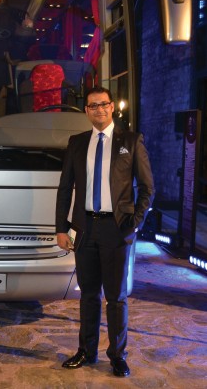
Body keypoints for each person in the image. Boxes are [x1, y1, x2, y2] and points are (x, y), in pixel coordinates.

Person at [55, 86, 154, 378]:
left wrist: (134, 223)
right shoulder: (77, 143)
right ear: (86, 111)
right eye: (92, 106)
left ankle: (118, 356)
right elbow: (65, 188)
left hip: (116, 229)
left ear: (112, 107)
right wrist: (61, 228)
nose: (98, 109)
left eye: (103, 104)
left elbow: (148, 188)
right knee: (88, 295)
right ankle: (86, 351)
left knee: (116, 297)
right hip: (84, 228)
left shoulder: (131, 141)